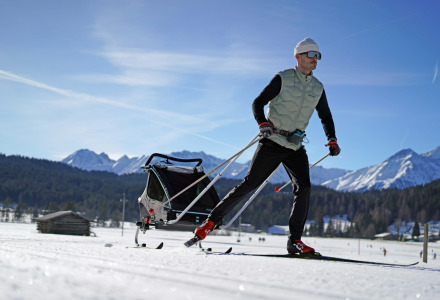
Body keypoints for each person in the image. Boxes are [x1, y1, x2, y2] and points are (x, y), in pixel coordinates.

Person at [186, 37, 340, 254]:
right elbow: (258, 102)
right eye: (311, 55)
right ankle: (210, 223)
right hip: (273, 140)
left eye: (318, 55)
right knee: (250, 184)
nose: (316, 59)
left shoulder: (318, 87)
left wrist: (332, 139)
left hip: (295, 144)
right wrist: (263, 123)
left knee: (304, 188)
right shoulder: (283, 78)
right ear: (298, 57)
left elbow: (325, 115)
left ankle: (294, 241)